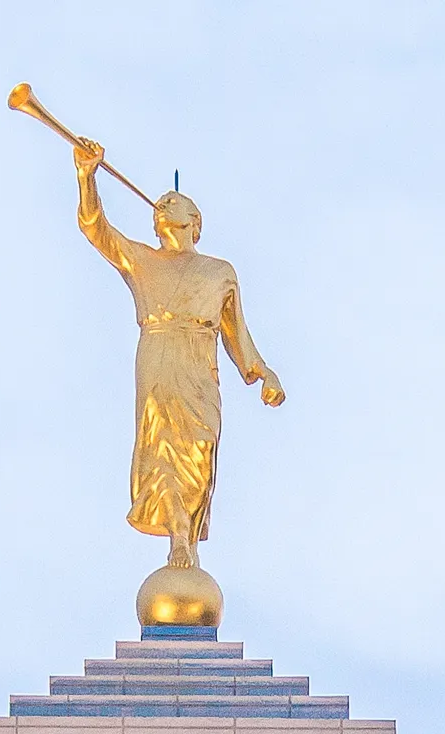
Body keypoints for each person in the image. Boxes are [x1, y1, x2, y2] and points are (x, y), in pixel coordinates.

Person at [73, 137, 285, 570]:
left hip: (199, 360)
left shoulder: (219, 271)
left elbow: (236, 332)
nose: (162, 205)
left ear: (195, 220)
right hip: (159, 351)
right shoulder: (142, 260)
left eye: (172, 201)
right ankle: (179, 538)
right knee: (162, 447)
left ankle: (187, 529)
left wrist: (263, 372)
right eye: (159, 204)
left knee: (199, 448)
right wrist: (86, 175)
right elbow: (96, 228)